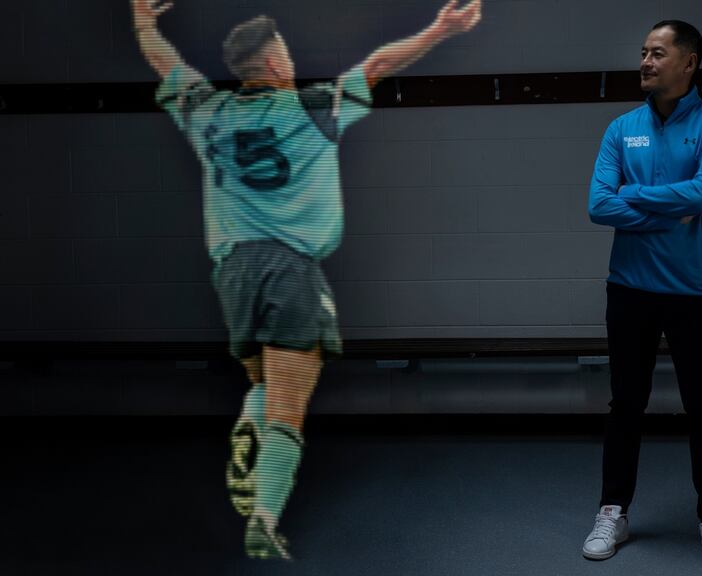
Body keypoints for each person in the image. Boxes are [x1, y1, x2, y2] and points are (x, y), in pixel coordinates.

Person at [130, 0, 482, 560]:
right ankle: (265, 518)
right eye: (285, 53)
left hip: (232, 275)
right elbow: (378, 65)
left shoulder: (205, 110)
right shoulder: (311, 107)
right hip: (290, 268)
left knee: (266, 384)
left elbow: (164, 62)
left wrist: (144, 21)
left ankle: (251, 429)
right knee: (290, 405)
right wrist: (439, 29)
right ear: (273, 66)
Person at [582, 20, 702, 569]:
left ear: (689, 62)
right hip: (630, 290)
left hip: (696, 292)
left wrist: (637, 198)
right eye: (643, 53)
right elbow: (599, 206)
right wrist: (670, 211)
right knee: (626, 404)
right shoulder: (621, 128)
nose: (645, 62)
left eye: (657, 53)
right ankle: (613, 511)